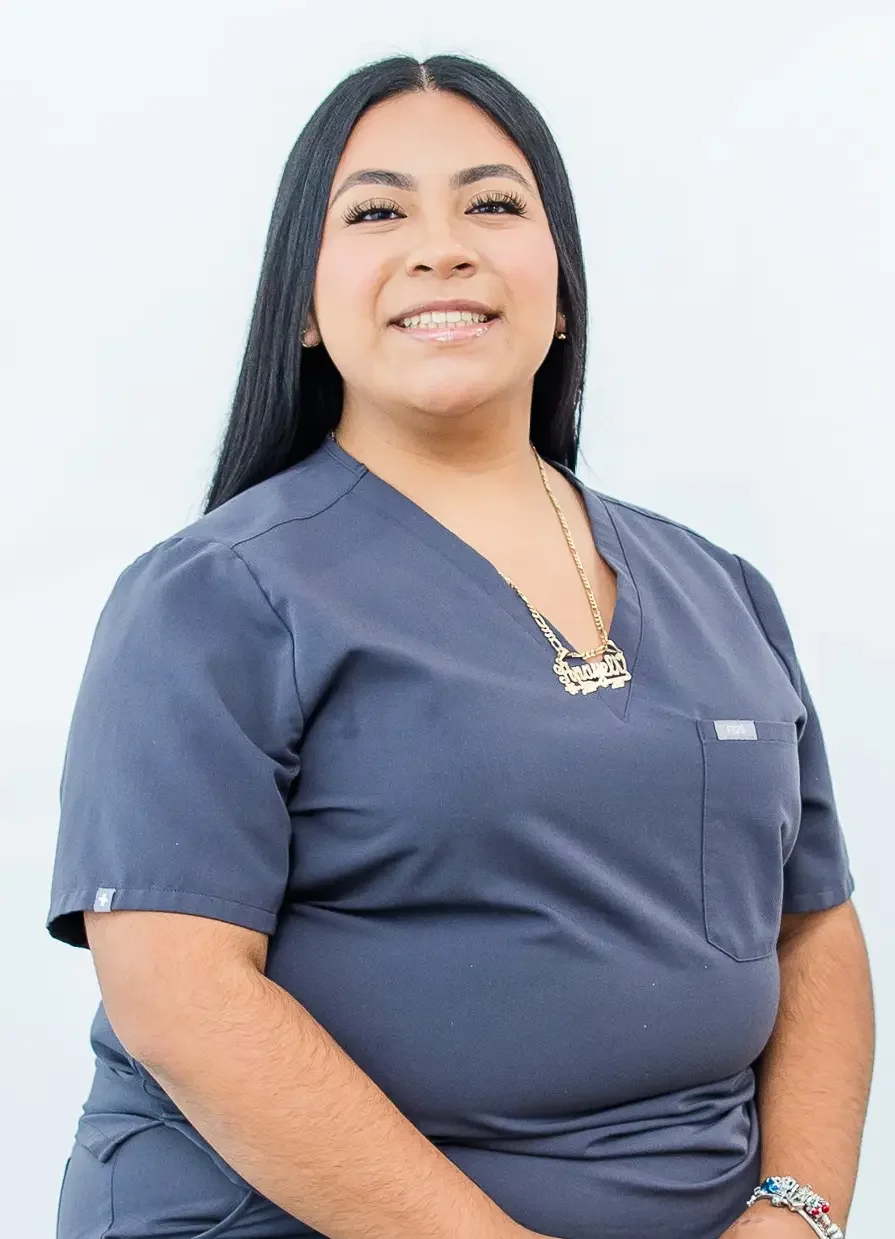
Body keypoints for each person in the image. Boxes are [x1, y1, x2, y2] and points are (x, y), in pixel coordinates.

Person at [47, 52, 873, 1239]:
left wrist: (796, 1215)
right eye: (377, 211)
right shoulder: (211, 598)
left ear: (563, 285)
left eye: (493, 203)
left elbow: (816, 928)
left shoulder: (722, 591)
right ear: (303, 303)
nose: (441, 247)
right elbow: (181, 1001)